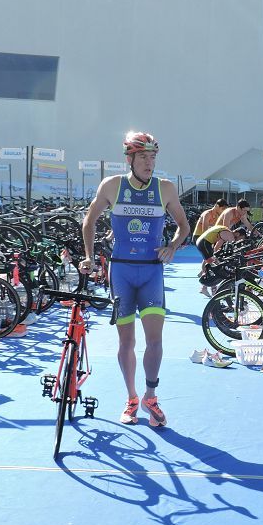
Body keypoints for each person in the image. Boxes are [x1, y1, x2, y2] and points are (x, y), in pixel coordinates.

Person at [78, 131, 191, 428]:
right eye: (143, 157)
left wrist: (172, 246)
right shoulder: (112, 186)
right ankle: (130, 399)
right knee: (126, 340)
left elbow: (183, 225)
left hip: (151, 271)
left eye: (153, 157)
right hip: (122, 272)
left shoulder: (165, 188)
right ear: (129, 158)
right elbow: (88, 222)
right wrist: (89, 256)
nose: (149, 163)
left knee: (155, 340)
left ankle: (150, 396)